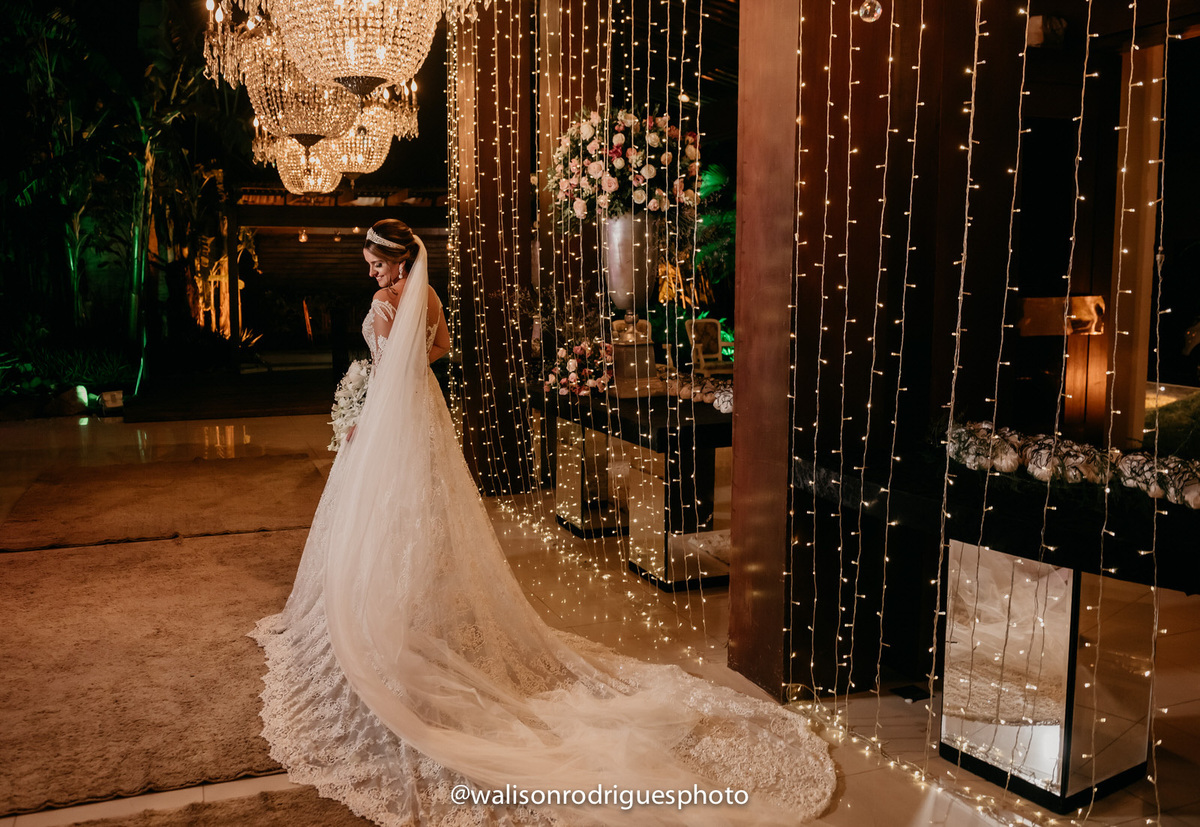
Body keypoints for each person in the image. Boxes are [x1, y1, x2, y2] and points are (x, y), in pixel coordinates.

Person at [252, 219, 835, 826]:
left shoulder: (384, 301)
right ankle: (414, 602)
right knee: (421, 507)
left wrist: (367, 397)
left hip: (394, 414)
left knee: (387, 509)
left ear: (399, 262)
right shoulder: (426, 294)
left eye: (376, 264)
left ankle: (388, 612)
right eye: (371, 266)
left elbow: (396, 360)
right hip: (423, 408)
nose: (371, 274)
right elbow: (442, 349)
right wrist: (400, 370)